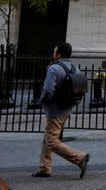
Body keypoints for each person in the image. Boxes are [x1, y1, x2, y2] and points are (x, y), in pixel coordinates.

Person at [32, 42, 90, 179]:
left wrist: (43, 100)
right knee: (48, 137)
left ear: (58, 54)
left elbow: (47, 90)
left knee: (52, 141)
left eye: (54, 51)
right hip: (67, 109)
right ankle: (44, 168)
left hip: (55, 110)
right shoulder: (75, 69)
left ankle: (80, 158)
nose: (53, 54)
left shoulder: (54, 69)